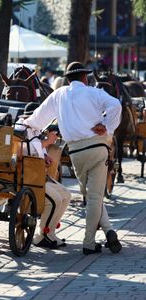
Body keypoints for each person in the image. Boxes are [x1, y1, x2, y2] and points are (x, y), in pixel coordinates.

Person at [24, 61, 122, 255]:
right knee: (95, 197)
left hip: (76, 152)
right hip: (98, 147)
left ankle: (109, 230)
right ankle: (90, 242)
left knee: (91, 196)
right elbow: (116, 104)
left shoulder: (59, 95)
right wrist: (107, 125)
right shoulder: (94, 92)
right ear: (85, 77)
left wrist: (22, 124)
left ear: (68, 79)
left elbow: (36, 120)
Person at [14, 102, 71, 248]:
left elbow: (37, 150)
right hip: (27, 176)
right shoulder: (21, 128)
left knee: (66, 195)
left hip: (38, 174)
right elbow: (21, 150)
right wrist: (47, 143)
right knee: (55, 200)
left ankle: (50, 232)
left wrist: (44, 156)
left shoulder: (35, 129)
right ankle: (42, 235)